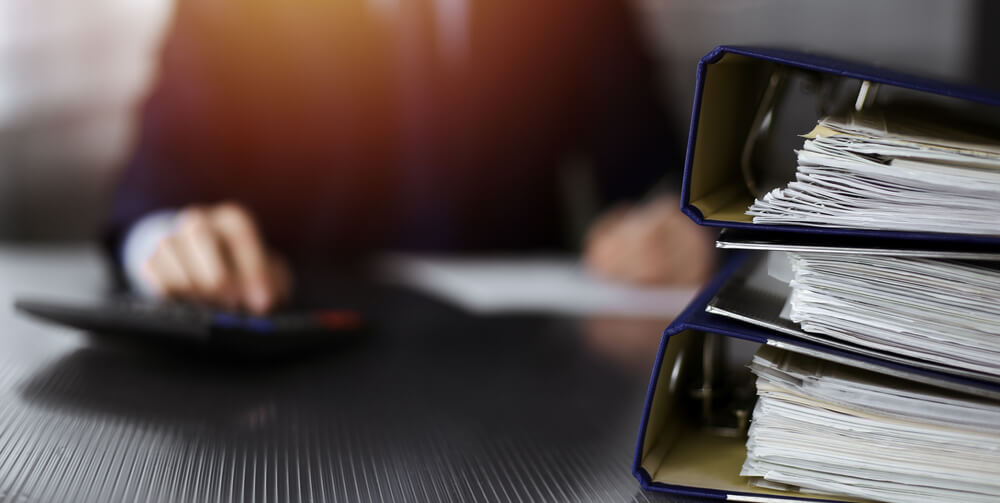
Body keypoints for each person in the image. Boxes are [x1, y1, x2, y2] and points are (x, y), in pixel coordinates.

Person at [108, 0, 715, 314]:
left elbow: (657, 170)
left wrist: (675, 229)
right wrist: (177, 248)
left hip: (524, 371)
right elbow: (150, 195)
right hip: (292, 356)